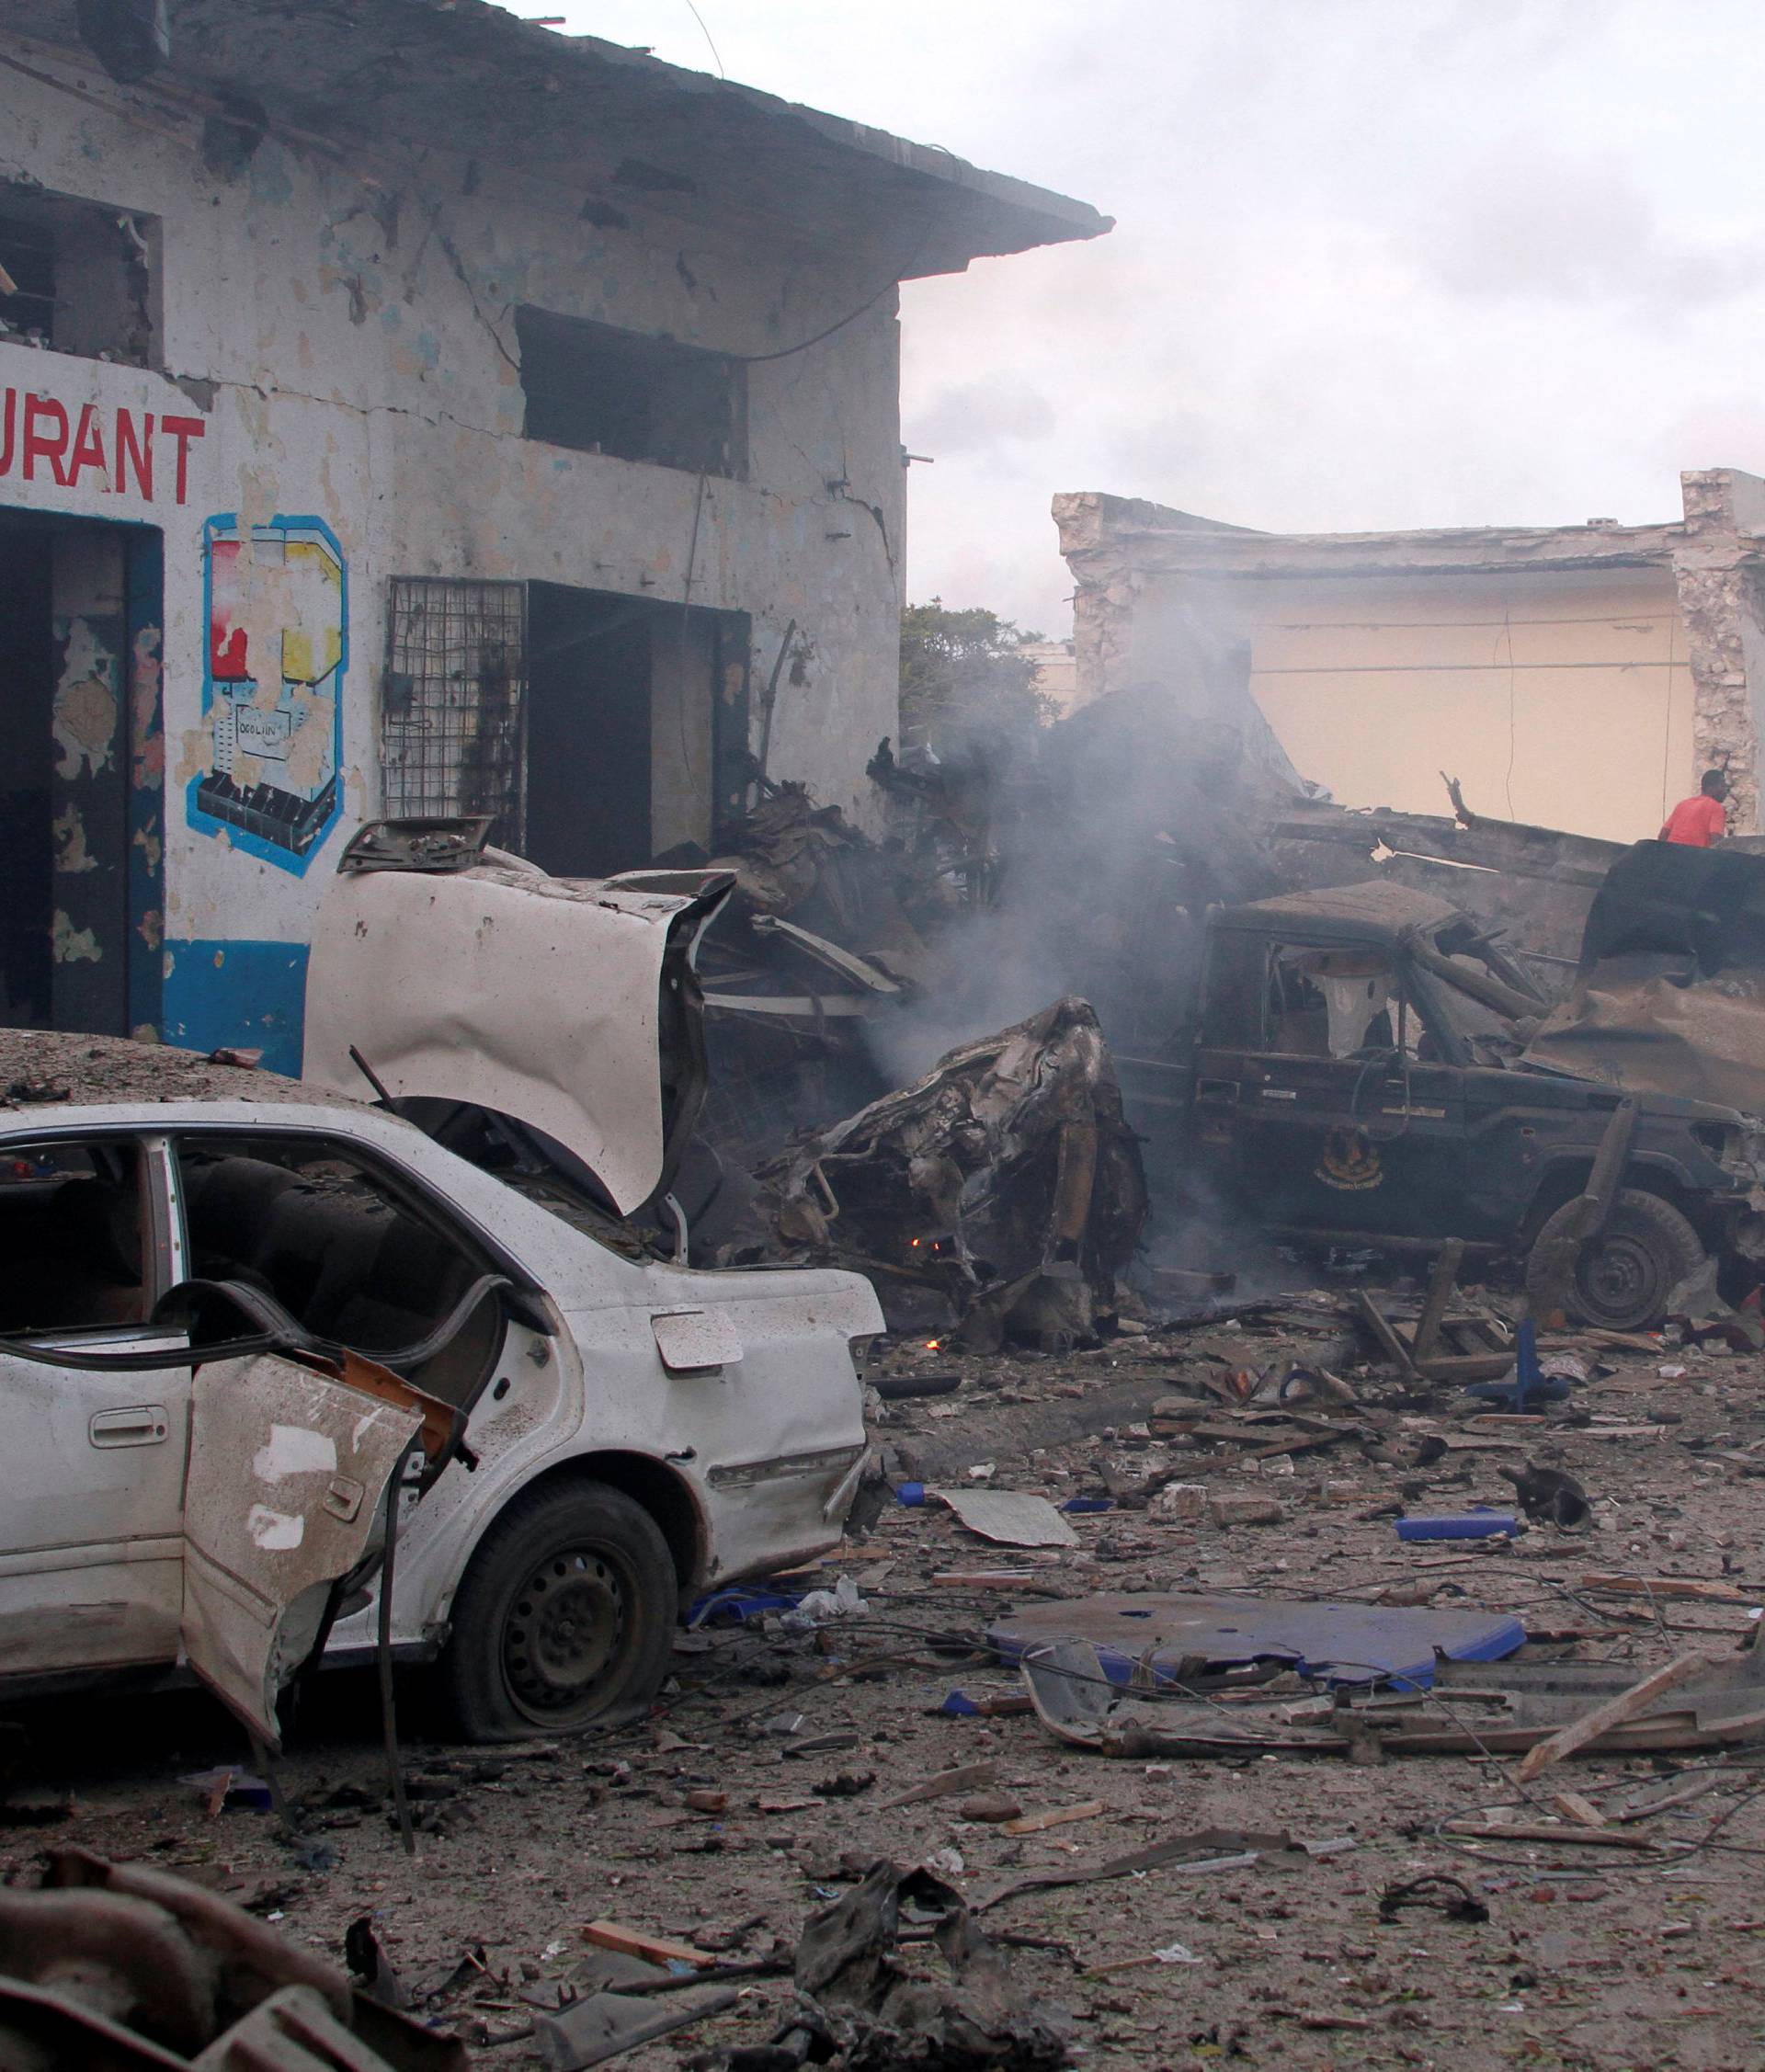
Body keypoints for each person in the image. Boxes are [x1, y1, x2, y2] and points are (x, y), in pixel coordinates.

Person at [1660, 768, 1730, 847]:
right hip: (1693, 855)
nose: (1726, 790)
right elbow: (1717, 841)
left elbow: (1663, 834)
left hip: (1671, 854)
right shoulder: (1716, 807)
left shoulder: (1683, 804)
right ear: (1711, 788)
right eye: (1723, 785)